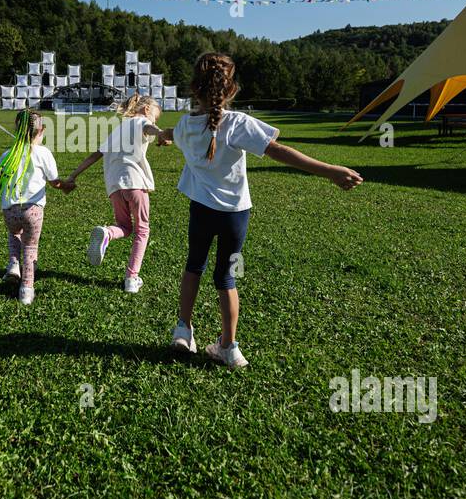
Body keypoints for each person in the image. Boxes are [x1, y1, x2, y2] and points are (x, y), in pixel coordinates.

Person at [159, 52, 363, 367]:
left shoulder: (185, 125)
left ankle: (183, 331)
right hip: (235, 216)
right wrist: (330, 170)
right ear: (230, 90)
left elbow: (175, 134)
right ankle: (229, 347)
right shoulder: (238, 123)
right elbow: (277, 147)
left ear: (194, 88)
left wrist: (161, 135)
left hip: (200, 210)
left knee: (193, 266)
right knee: (226, 278)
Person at [61, 93, 166, 293]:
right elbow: (148, 127)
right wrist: (160, 131)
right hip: (135, 182)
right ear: (146, 110)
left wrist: (73, 175)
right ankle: (131, 279)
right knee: (142, 230)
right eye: (155, 115)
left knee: (124, 227)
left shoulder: (118, 130)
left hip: (114, 186)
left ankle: (108, 233)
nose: (154, 119)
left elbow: (95, 155)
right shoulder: (142, 121)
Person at [0, 108, 69, 304]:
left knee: (14, 234)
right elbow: (54, 182)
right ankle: (26, 289)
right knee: (30, 247)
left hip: (9, 211)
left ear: (16, 130)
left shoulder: (7, 155)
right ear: (41, 130)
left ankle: (13, 265)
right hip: (32, 210)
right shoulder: (43, 153)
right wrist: (66, 186)